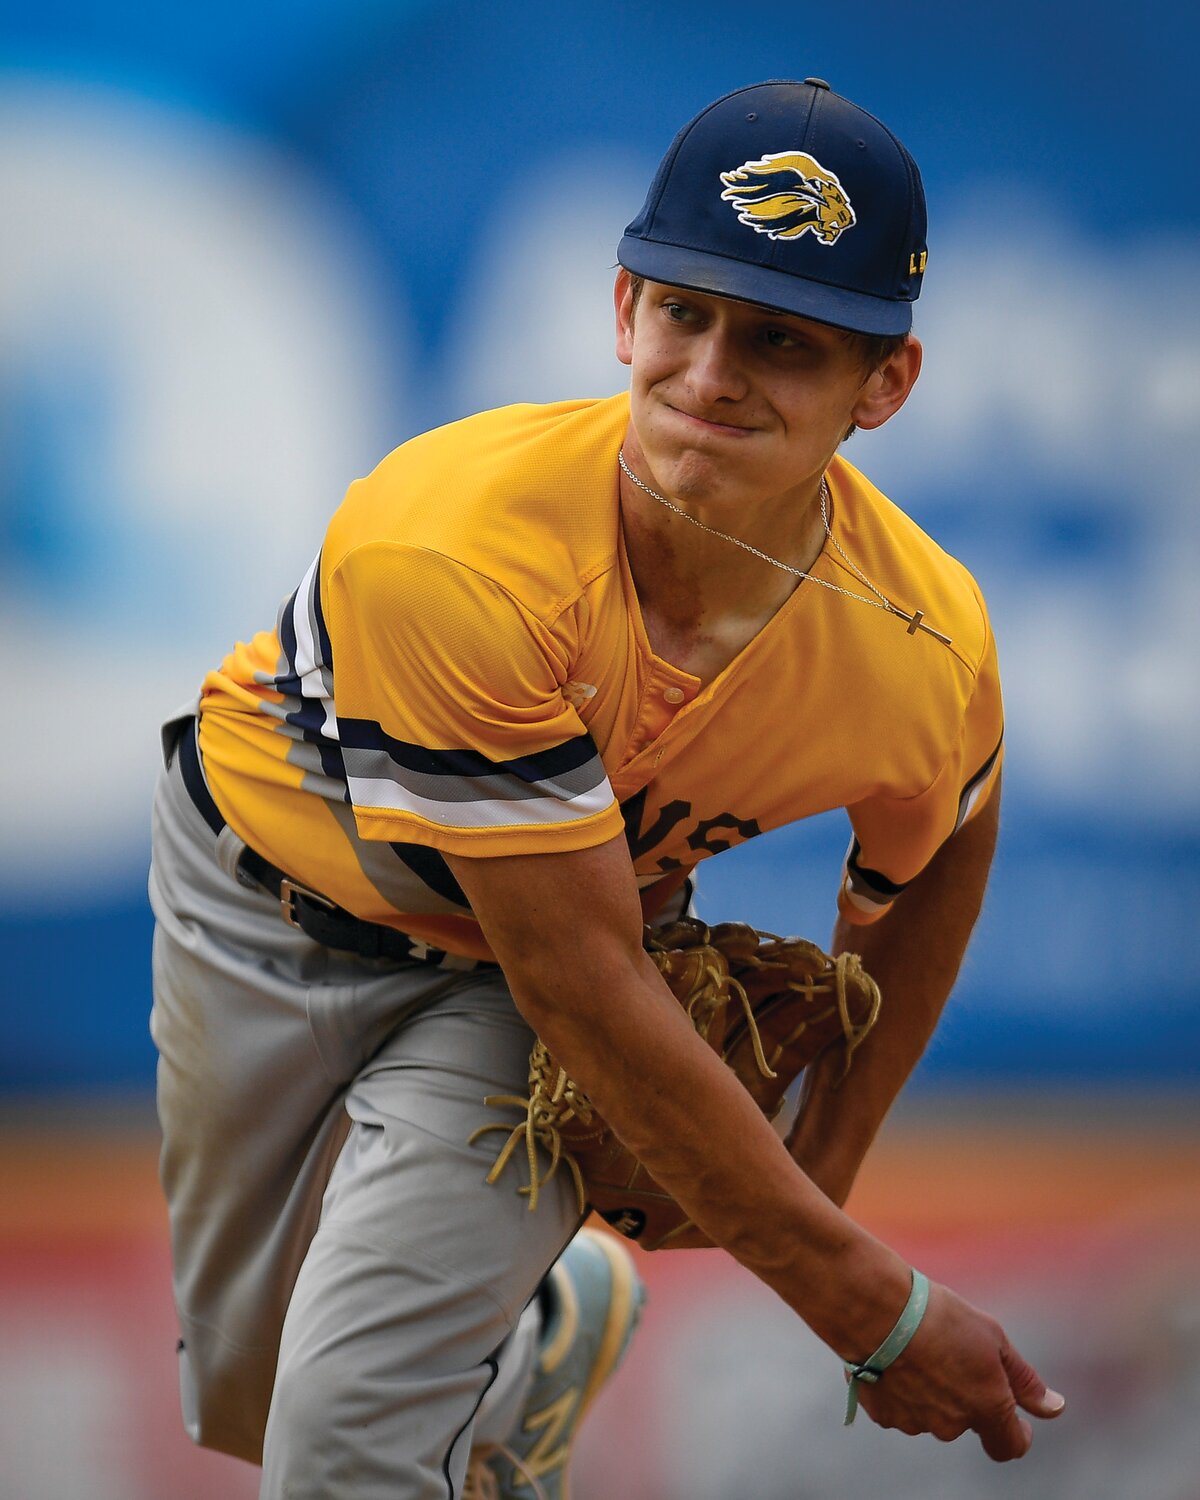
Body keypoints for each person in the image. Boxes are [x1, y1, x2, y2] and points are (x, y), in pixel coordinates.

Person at [148, 77, 1065, 1500]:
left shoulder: (916, 644)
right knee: (257, 1397)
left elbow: (947, 838)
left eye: (783, 338)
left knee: (344, 1451)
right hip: (251, 900)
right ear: (623, 309)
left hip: (502, 988)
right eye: (685, 310)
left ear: (885, 383)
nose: (711, 371)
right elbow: (585, 972)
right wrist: (864, 1305)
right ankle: (552, 1328)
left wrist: (829, 1154)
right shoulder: (458, 545)